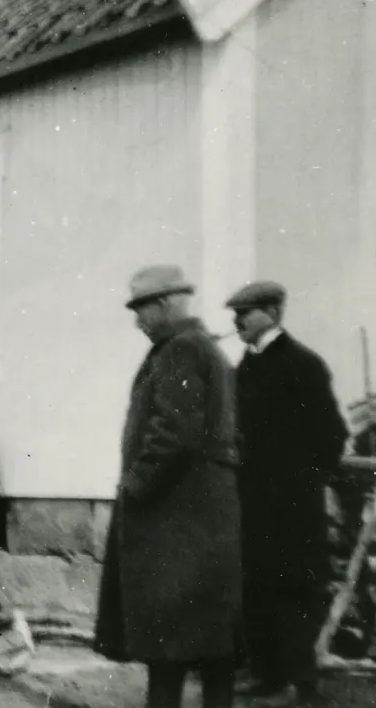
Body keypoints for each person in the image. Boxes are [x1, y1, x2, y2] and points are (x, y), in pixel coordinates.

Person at [94, 265, 242, 708]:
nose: (137, 320)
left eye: (140, 309)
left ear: (163, 304)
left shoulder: (180, 350)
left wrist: (136, 486)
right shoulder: (206, 350)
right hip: (206, 520)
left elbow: (174, 432)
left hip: (176, 523)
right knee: (214, 647)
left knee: (169, 647)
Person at [228, 281, 349, 706]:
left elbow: (333, 435)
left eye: (246, 311)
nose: (237, 320)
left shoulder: (304, 364)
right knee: (256, 587)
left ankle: (304, 684)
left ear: (274, 312)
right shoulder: (244, 366)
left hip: (294, 508)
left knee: (297, 590)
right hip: (252, 504)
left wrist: (302, 483)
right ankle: (267, 676)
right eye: (235, 312)